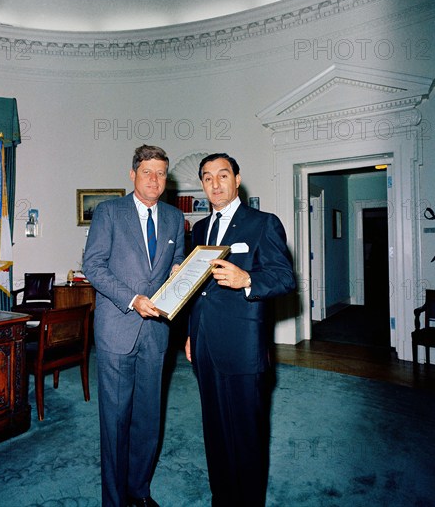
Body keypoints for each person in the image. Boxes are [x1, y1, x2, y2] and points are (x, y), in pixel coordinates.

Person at [185, 153, 296, 506]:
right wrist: (191, 333)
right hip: (204, 342)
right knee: (215, 429)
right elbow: (198, 291)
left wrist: (247, 278)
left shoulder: (263, 223)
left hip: (243, 345)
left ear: (237, 179)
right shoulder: (200, 229)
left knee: (247, 434)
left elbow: (284, 278)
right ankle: (222, 497)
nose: (215, 184)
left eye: (222, 175)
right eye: (207, 177)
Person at [83, 145, 185, 507]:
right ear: (133, 175)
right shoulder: (109, 212)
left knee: (147, 418)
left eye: (161, 173)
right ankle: (113, 500)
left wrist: (179, 274)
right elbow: (93, 266)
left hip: (156, 334)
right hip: (116, 329)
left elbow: (175, 265)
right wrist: (132, 299)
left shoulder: (174, 218)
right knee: (115, 422)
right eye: (147, 172)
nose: (155, 179)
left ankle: (139, 491)